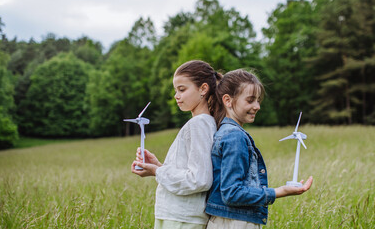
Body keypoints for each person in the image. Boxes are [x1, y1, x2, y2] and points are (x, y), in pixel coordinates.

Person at [205, 69, 313, 228]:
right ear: (227, 100)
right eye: (250, 100)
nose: (257, 106)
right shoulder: (235, 137)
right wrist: (279, 191)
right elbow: (232, 193)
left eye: (258, 100)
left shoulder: (225, 132)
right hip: (235, 223)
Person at [131, 60, 222, 229]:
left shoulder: (199, 125)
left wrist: (157, 171)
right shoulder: (204, 123)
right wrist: (158, 165)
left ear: (203, 89)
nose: (176, 96)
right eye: (175, 90)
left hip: (182, 218)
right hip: (182, 216)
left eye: (182, 89)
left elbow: (200, 179)